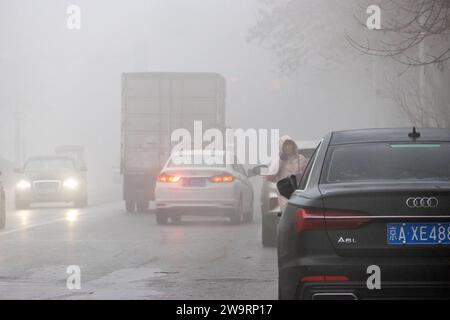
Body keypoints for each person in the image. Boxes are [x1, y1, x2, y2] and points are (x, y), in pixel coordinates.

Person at [267, 136, 308, 209]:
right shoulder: (277, 160)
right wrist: (280, 160)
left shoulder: (301, 158)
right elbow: (271, 174)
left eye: (290, 144)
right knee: (286, 214)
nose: (288, 147)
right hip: (284, 194)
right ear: (281, 147)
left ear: (293, 146)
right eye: (285, 145)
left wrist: (300, 176)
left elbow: (308, 174)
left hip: (299, 192)